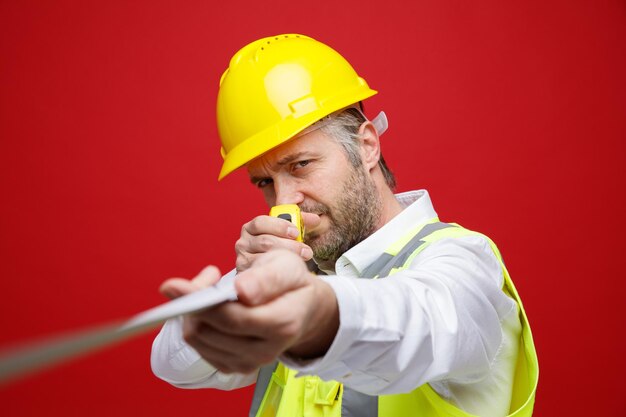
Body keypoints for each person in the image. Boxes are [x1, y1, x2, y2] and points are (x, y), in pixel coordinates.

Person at [150, 34, 538, 417]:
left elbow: (419, 323)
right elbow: (172, 364)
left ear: (367, 145)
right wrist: (242, 286)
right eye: (265, 182)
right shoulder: (296, 275)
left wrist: (317, 315)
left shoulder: (465, 264)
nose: (284, 201)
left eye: (300, 165)